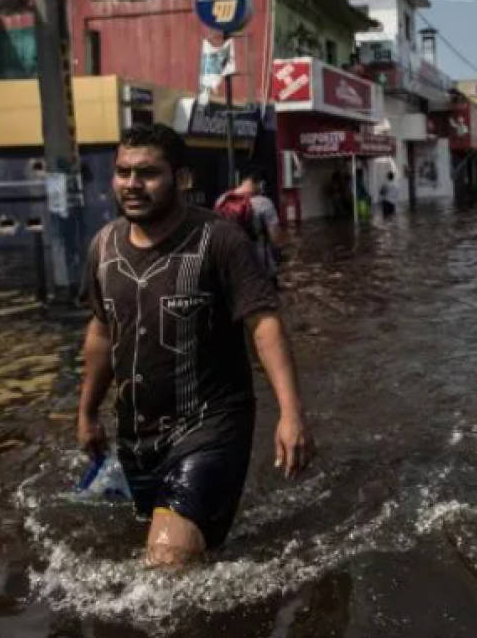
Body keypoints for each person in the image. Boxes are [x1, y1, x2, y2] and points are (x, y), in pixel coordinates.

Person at [77, 124, 314, 568]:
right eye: (123, 172)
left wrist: (291, 413)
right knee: (190, 553)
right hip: (137, 438)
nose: (131, 185)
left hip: (210, 427)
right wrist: (87, 413)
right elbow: (102, 331)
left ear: (182, 179)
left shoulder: (219, 240)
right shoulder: (102, 248)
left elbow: (264, 324)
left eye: (147, 173)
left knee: (166, 563)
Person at [215, 165, 287, 289]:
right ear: (259, 183)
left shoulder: (222, 200)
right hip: (259, 265)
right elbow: (275, 239)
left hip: (231, 264)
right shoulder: (264, 203)